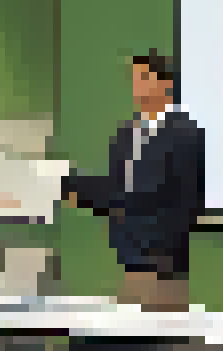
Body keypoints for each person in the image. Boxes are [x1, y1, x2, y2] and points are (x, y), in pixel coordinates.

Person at [65, 53, 205, 313]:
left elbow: (184, 199)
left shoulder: (186, 134)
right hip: (128, 256)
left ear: (165, 84)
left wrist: (161, 249)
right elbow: (116, 189)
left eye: (143, 77)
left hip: (164, 262)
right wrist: (66, 185)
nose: (136, 85)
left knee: (162, 343)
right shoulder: (125, 133)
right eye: (134, 78)